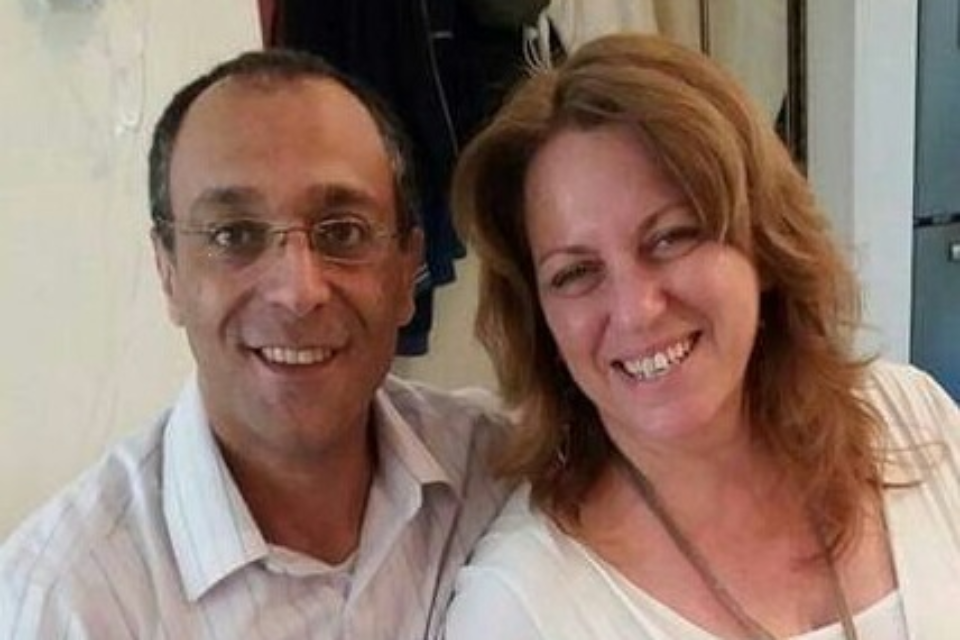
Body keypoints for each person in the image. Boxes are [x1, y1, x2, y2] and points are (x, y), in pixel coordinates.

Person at [444, 33, 960, 639]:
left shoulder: (913, 417)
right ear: (542, 322)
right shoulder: (518, 610)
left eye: (671, 237)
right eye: (576, 273)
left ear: (763, 243)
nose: (636, 311)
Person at [0, 49, 510, 639]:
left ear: (406, 271)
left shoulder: (499, 474)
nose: (298, 291)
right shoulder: (64, 605)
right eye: (234, 235)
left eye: (343, 231)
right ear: (169, 273)